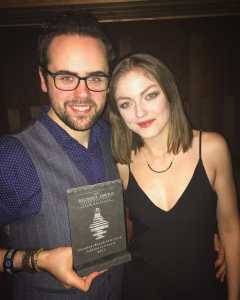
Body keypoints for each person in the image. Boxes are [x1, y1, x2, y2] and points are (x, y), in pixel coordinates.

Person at [0, 13, 123, 300]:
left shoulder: (115, 137)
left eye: (95, 77)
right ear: (43, 80)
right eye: (66, 77)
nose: (83, 94)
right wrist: (35, 260)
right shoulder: (11, 157)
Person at [108, 53, 240, 300]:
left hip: (204, 288)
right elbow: (121, 235)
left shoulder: (212, 149)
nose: (139, 112)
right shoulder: (121, 163)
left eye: (150, 95)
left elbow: (231, 229)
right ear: (118, 113)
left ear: (170, 92)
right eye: (126, 103)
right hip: (140, 289)